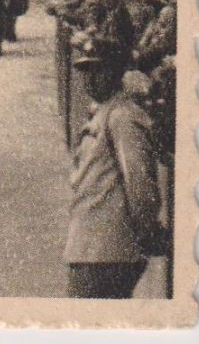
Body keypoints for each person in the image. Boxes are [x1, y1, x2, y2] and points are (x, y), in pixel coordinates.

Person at [65, 42, 164, 299]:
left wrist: (147, 231)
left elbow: (139, 182)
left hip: (108, 251)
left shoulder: (123, 116)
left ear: (117, 72)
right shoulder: (105, 112)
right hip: (90, 248)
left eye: (99, 70)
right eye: (85, 70)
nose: (90, 78)